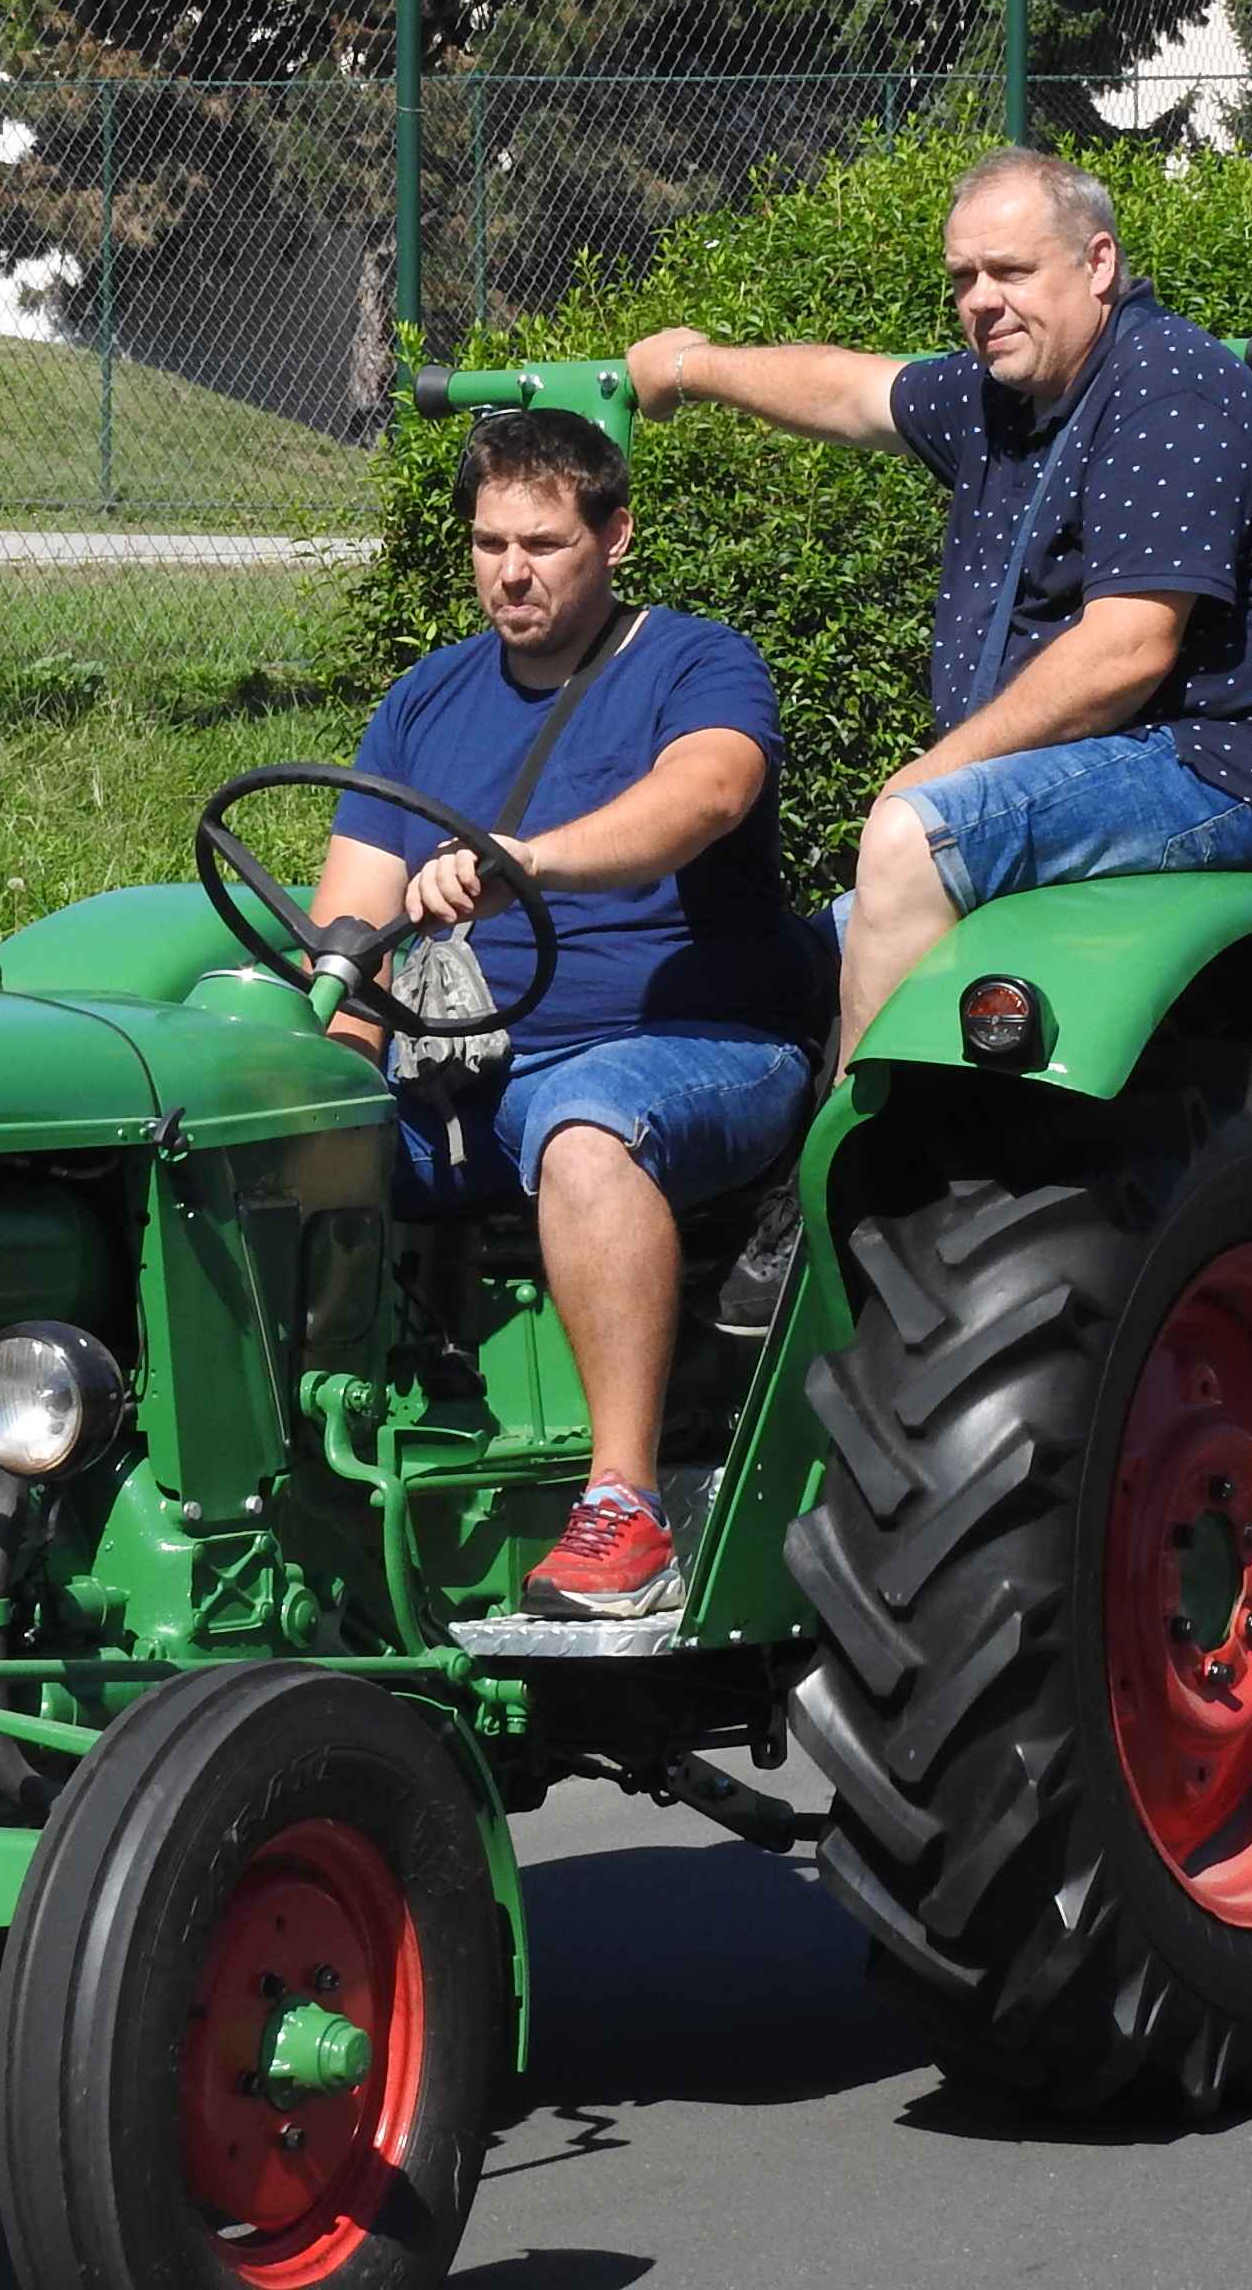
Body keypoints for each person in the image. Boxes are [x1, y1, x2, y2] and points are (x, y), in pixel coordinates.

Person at [626, 144, 1252, 1078]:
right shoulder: (1002, 395)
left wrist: (926, 782)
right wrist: (692, 366)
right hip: (1114, 763)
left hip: (1224, 769)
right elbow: (852, 392)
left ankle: (851, 1174)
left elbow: (1126, 651)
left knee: (910, 838)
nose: (981, 298)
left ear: (1099, 264)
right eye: (964, 276)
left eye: (1011, 270)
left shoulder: (1168, 388)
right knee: (806, 960)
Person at [308, 407, 823, 1618]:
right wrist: (323, 1090)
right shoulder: (426, 701)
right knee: (251, 1130)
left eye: (543, 542)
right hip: (467, 1075)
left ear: (617, 536)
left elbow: (701, 798)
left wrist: (523, 860)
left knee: (588, 1128)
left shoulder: (696, 664)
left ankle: (624, 1514)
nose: (511, 572)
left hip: (693, 1051)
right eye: (489, 545)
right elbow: (348, 933)